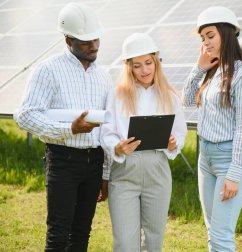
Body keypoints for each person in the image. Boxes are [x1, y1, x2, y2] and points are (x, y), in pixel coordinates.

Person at [15, 3, 113, 251]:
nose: (94, 46)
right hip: (63, 160)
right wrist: (70, 129)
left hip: (95, 162)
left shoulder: (104, 76)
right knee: (58, 234)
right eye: (85, 41)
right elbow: (25, 116)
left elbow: (107, 128)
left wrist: (105, 173)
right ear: (68, 40)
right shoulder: (48, 70)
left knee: (81, 234)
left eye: (96, 39)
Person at [182, 6, 242, 252]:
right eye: (202, 38)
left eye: (210, 35)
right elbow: (186, 100)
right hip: (205, 158)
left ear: (226, 34)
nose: (206, 42)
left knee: (221, 235)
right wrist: (199, 67)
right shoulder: (211, 70)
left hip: (230, 158)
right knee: (212, 230)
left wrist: (234, 173)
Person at [100, 32, 188, 252]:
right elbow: (107, 133)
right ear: (128, 67)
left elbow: (180, 133)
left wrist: (172, 144)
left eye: (148, 63)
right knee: (125, 242)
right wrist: (117, 147)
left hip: (157, 170)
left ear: (156, 61)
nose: (145, 70)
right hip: (125, 171)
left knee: (153, 239)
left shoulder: (170, 96)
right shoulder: (116, 95)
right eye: (137, 65)